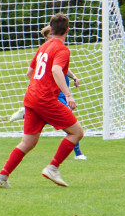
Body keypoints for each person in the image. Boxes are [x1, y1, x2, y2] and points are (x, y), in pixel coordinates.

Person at [0, 13, 84, 188]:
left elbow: (29, 72)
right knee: (77, 132)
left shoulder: (43, 47)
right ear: (67, 30)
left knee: (28, 142)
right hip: (45, 99)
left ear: (51, 29)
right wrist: (69, 95)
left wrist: (39, 86)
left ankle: (2, 177)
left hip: (31, 97)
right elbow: (57, 71)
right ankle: (53, 168)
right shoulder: (62, 49)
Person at [8, 25, 87, 160]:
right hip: (53, 93)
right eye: (50, 36)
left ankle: (3, 175)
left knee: (65, 122)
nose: (53, 38)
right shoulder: (52, 49)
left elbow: (59, 68)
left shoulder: (47, 50)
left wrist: (73, 76)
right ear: (47, 36)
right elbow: (53, 70)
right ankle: (73, 156)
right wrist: (49, 88)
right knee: (73, 126)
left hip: (52, 92)